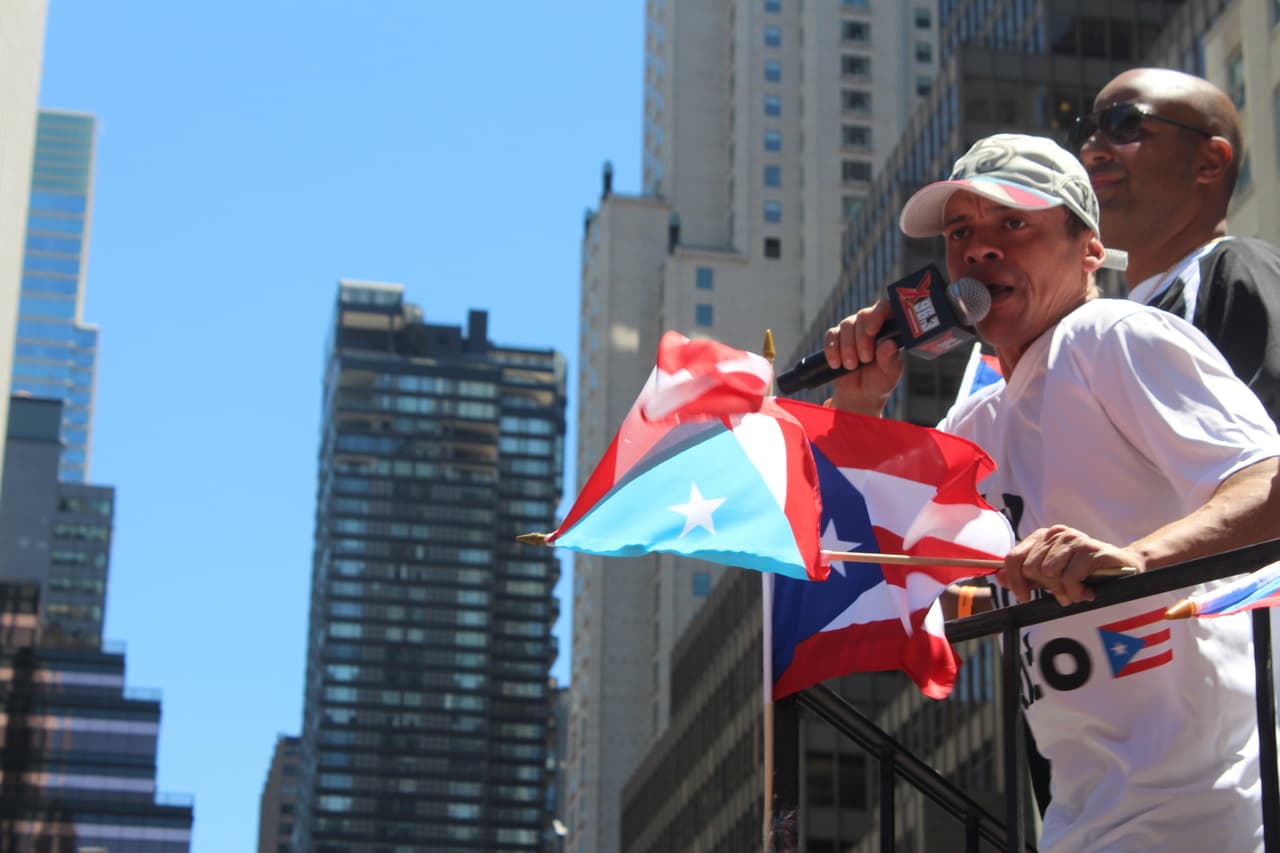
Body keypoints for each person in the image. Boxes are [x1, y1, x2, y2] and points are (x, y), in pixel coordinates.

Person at [823, 133, 1280, 852]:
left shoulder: (1110, 335)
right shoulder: (976, 422)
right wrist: (859, 404)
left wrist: (1136, 559)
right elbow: (883, 576)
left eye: (1014, 223)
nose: (980, 249)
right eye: (960, 233)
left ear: (1089, 250)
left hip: (1213, 812)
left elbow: (1268, 484)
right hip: (1082, 821)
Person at [1074, 67, 1280, 423]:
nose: (1090, 150)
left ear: (1210, 161)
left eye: (1125, 124)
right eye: (1085, 132)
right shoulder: (1118, 323)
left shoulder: (1235, 269)